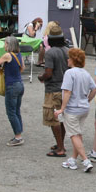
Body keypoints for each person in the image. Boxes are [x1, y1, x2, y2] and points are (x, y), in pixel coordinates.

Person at [38, 26, 69, 157]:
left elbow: (49, 72)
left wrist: (42, 77)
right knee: (61, 118)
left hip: (53, 88)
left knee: (53, 119)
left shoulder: (50, 53)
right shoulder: (67, 50)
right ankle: (60, 143)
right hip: (65, 88)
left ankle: (60, 148)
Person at [0, 35, 25, 147]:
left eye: (5, 43)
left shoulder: (7, 55)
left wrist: (1, 70)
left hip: (11, 85)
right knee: (16, 110)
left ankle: (18, 137)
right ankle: (19, 133)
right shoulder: (19, 54)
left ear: (9, 44)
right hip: (20, 84)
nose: (4, 45)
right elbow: (22, 68)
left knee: (11, 111)